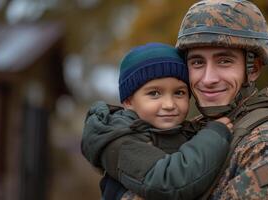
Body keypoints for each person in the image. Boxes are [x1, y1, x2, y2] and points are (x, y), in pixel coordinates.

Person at [96, 0, 268, 199]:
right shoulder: (197, 132)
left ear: (253, 68)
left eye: (224, 61)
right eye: (197, 62)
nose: (208, 79)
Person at [81, 42, 233, 200]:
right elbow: (169, 181)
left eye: (179, 93)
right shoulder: (121, 141)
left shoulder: (181, 131)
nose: (169, 104)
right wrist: (214, 135)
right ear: (128, 101)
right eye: (154, 93)